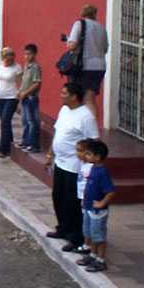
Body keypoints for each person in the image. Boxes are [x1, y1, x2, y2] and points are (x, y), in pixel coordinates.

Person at [43, 82, 100, 252]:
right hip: (60, 162)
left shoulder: (85, 116)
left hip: (75, 166)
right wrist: (49, 154)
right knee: (58, 196)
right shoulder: (64, 111)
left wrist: (88, 162)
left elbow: (93, 141)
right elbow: (57, 133)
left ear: (74, 96)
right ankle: (63, 228)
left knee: (72, 202)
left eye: (64, 93)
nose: (61, 95)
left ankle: (76, 237)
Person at [75, 139, 115, 273]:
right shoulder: (93, 169)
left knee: (99, 236)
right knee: (90, 233)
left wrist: (101, 203)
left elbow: (110, 192)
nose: (85, 156)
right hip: (88, 207)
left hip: (97, 211)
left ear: (97, 157)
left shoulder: (102, 173)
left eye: (88, 154)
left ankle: (101, 260)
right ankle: (92, 255)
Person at [65, 3, 109, 123]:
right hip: (99, 67)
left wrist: (68, 42)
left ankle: (78, 125)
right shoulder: (101, 27)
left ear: (82, 13)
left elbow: (72, 45)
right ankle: (92, 128)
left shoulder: (79, 24)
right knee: (90, 99)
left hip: (83, 66)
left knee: (76, 98)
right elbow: (105, 49)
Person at [0, 47, 22, 158]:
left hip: (12, 97)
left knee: (5, 121)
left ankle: (2, 150)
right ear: (3, 58)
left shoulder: (17, 68)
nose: (9, 62)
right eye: (7, 60)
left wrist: (20, 95)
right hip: (0, 96)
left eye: (11, 60)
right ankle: (10, 145)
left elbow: (20, 82)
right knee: (5, 122)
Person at [18, 44, 42, 152]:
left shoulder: (35, 67)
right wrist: (20, 91)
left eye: (30, 54)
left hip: (31, 97)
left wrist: (26, 93)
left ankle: (33, 143)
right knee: (25, 120)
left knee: (32, 121)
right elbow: (24, 82)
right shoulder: (26, 66)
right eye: (26, 54)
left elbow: (37, 83)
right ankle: (25, 141)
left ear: (35, 54)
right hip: (24, 97)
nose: (27, 56)